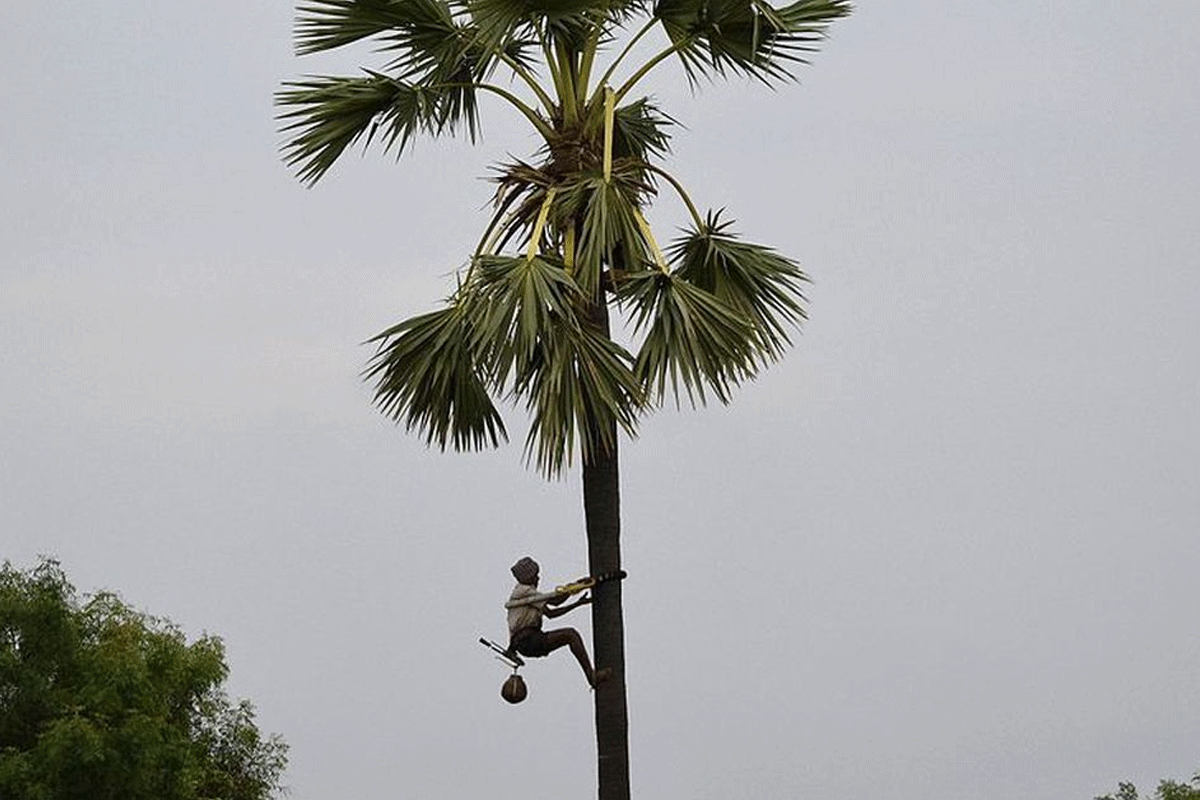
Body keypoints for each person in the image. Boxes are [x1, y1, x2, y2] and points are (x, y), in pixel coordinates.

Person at [506, 556, 611, 689]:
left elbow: (551, 611)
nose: (538, 578)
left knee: (570, 635)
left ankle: (591, 676)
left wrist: (576, 592)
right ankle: (591, 676)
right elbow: (554, 605)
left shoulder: (527, 594)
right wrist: (575, 588)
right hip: (528, 641)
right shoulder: (524, 591)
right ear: (527, 577)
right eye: (535, 576)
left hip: (527, 643)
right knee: (571, 635)